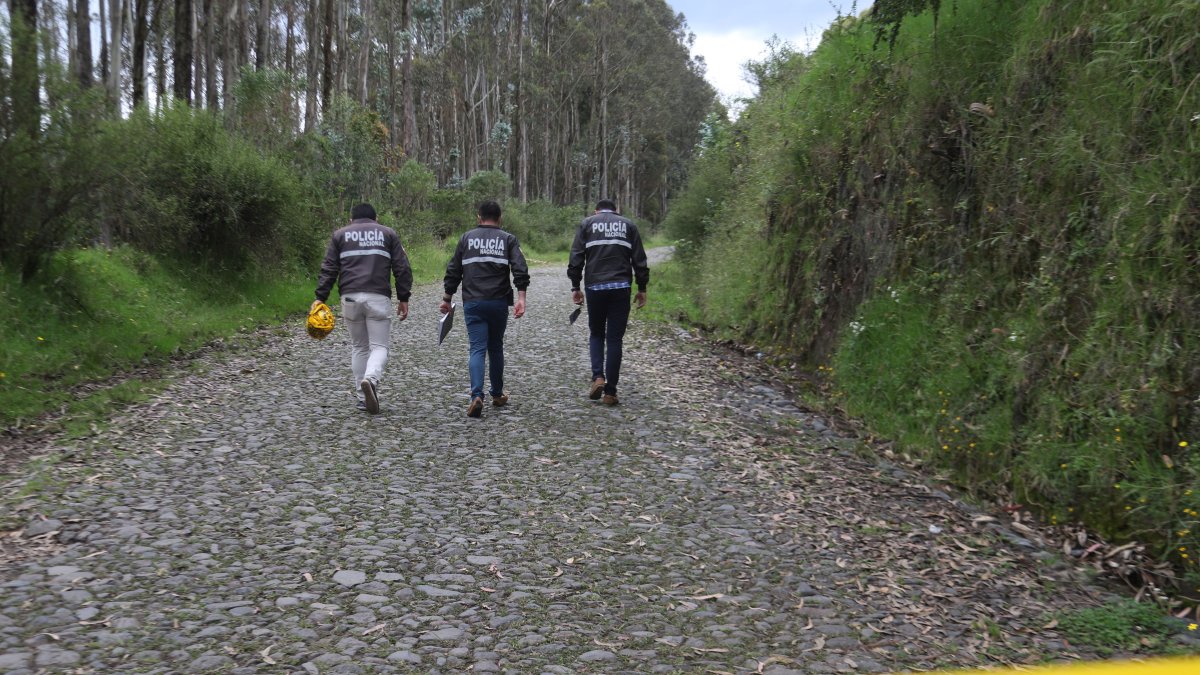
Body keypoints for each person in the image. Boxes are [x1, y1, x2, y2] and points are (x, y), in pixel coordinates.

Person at [315, 203, 412, 414]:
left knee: (359, 346)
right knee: (379, 347)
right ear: (375, 219)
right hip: (378, 296)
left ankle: (361, 397)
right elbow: (401, 267)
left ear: (351, 220)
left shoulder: (340, 235)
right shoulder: (388, 234)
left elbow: (329, 268)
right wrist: (403, 297)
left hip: (349, 296)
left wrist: (320, 297)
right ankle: (371, 378)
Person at [441, 201, 530, 418]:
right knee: (496, 347)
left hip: (473, 302)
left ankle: (476, 396)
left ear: (478, 217)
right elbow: (520, 268)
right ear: (500, 218)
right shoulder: (508, 239)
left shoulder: (466, 238)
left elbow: (454, 270)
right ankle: (497, 394)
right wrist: (521, 298)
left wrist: (446, 298)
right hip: (499, 302)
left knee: (477, 348)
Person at [567, 199, 649, 406]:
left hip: (595, 287)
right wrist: (642, 288)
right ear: (616, 210)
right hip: (621, 287)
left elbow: (576, 256)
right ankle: (610, 393)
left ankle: (598, 377)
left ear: (596, 211)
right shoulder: (628, 225)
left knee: (596, 333)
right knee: (614, 339)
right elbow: (639, 259)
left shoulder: (587, 224)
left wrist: (575, 286)